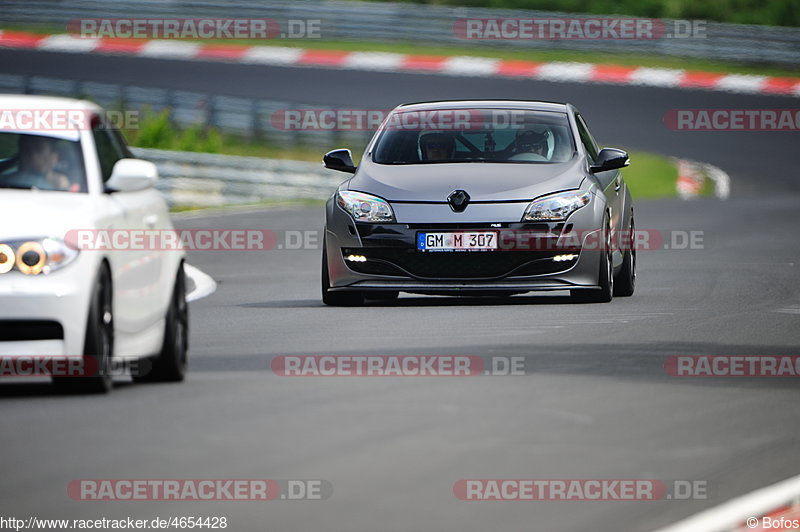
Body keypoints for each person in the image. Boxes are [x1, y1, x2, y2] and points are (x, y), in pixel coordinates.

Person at [1, 135, 72, 191]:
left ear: (54, 156)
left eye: (38, 149)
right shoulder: (5, 180)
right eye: (27, 149)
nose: (32, 155)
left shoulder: (60, 183)